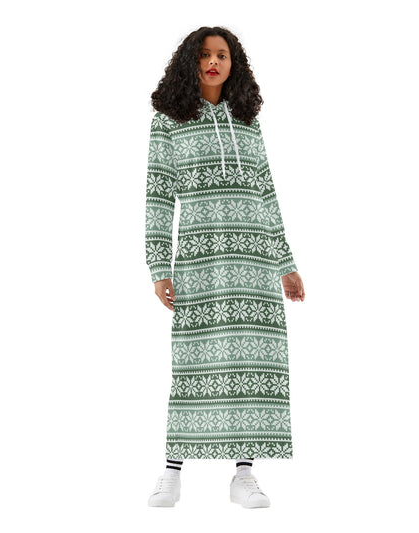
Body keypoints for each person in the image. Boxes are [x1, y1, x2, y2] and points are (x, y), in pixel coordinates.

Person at [144, 26, 305, 508]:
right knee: (193, 363)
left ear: (234, 64)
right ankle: (172, 471)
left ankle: (244, 475)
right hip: (201, 259)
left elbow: (267, 192)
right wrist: (158, 266)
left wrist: (286, 263)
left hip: (253, 262)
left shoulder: (247, 120)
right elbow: (158, 194)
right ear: (190, 61)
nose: (214, 62)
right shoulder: (169, 120)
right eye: (205, 54)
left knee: (249, 363)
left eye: (223, 55)